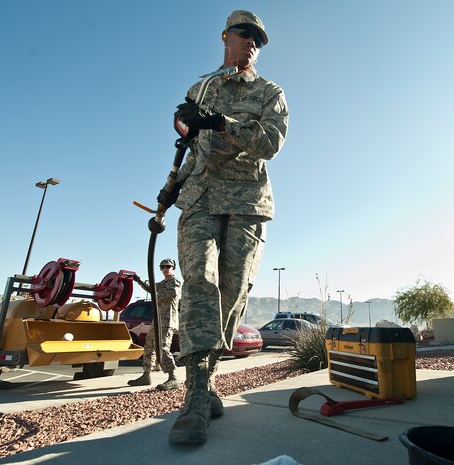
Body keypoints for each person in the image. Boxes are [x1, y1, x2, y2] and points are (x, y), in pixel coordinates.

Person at [157, 10, 288, 445]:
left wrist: (221, 122)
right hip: (198, 200)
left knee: (232, 293)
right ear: (225, 36)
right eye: (244, 34)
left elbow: (270, 144)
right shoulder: (201, 88)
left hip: (246, 202)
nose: (251, 43)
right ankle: (195, 396)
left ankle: (208, 381)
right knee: (199, 283)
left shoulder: (270, 92)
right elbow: (190, 150)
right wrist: (169, 190)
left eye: (258, 39)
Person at [128, 258, 182, 391]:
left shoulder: (175, 282)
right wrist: (138, 280)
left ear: (173, 268)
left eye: (168, 266)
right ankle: (146, 375)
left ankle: (173, 377)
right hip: (157, 320)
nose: (165, 269)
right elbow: (150, 288)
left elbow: (171, 293)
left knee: (162, 347)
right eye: (163, 267)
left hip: (167, 320)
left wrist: (155, 294)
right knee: (149, 346)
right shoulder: (163, 283)